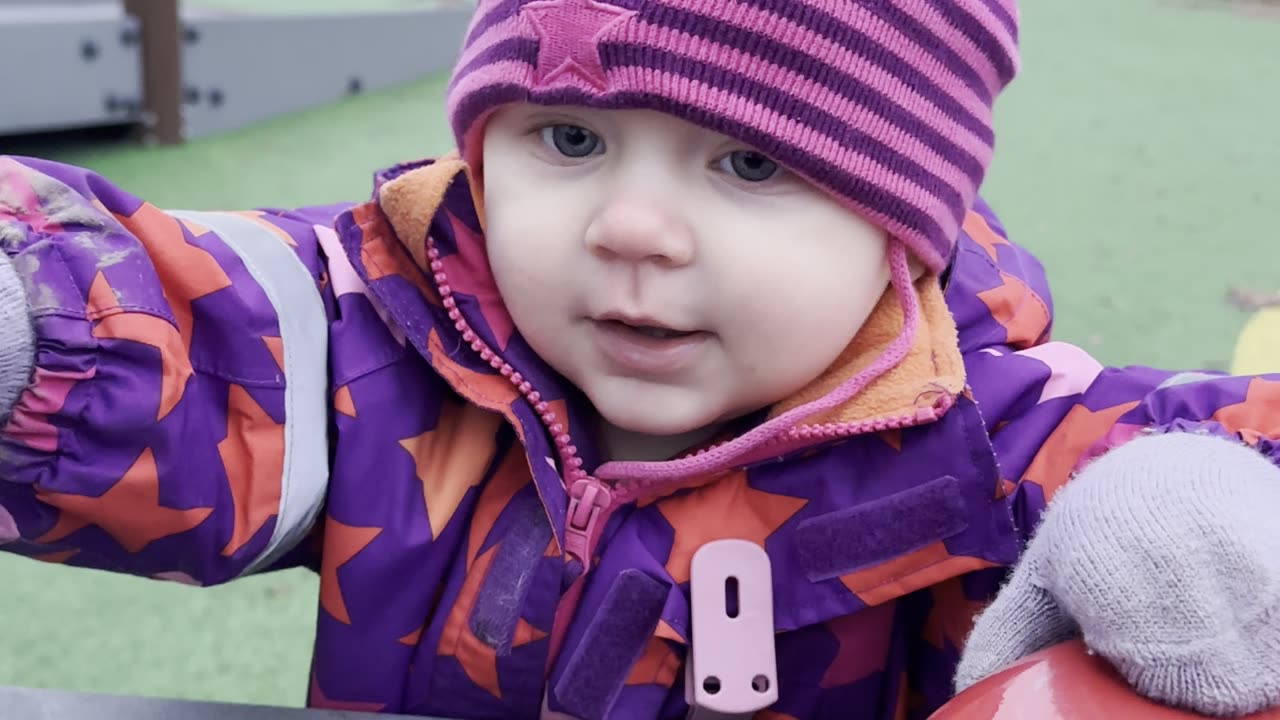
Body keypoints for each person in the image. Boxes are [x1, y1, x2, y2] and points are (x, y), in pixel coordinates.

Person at [2, 1, 1278, 718]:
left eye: (749, 163)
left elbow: (1161, 457)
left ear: (902, 226)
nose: (629, 229)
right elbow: (198, 337)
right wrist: (29, 322)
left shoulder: (982, 450)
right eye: (567, 139)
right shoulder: (393, 336)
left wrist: (1194, 501)